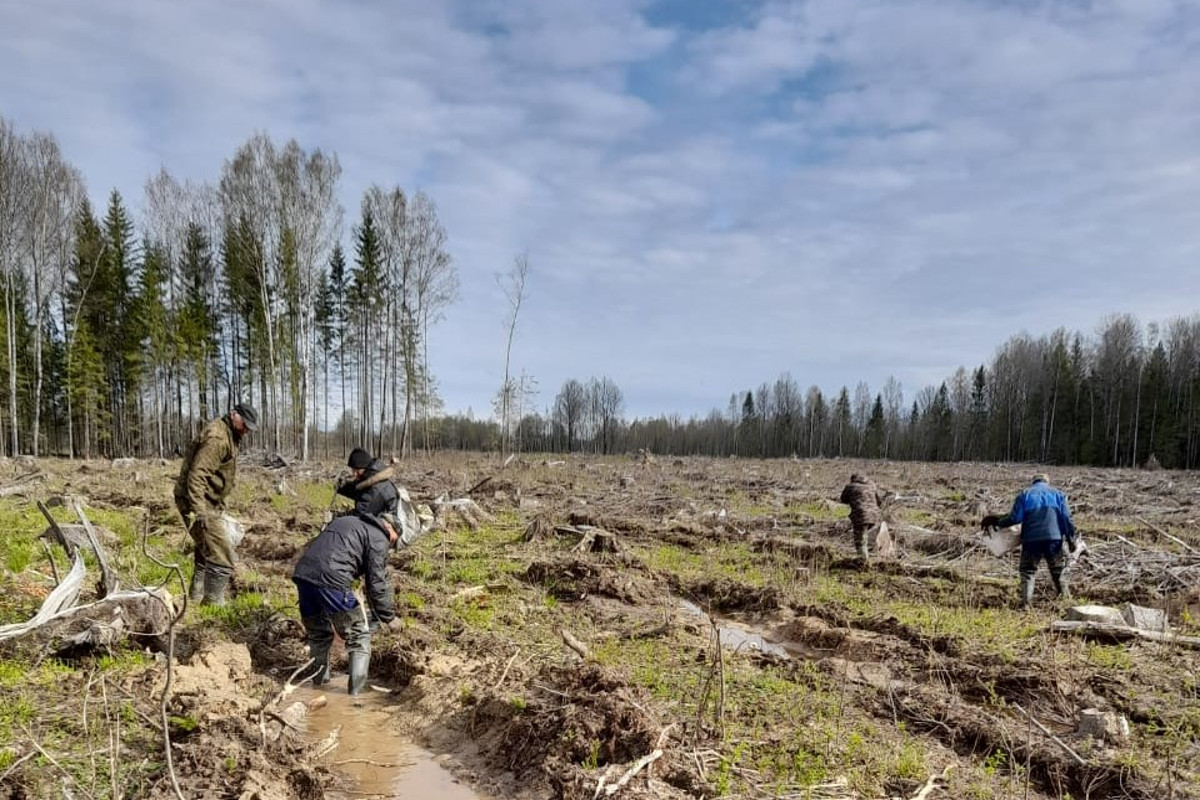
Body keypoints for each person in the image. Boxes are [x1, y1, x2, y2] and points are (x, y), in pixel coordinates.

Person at [292, 509, 402, 695]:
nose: (390, 545)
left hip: (304, 576)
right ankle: (356, 695)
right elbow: (376, 582)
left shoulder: (347, 520)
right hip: (332, 579)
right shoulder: (379, 537)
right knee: (359, 635)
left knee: (319, 634)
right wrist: (389, 617)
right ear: (389, 527)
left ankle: (318, 687)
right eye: (393, 540)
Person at [174, 403, 257, 606]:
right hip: (198, 502)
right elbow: (197, 475)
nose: (246, 430)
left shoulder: (230, 433)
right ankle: (212, 605)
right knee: (222, 553)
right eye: (244, 424)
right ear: (233, 415)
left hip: (210, 502)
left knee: (207, 547)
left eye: (248, 427)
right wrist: (200, 513)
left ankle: (196, 594)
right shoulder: (218, 438)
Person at [982, 474, 1078, 609]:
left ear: (1033, 482)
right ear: (1047, 482)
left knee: (1028, 570)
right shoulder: (1059, 495)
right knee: (1057, 570)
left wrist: (998, 521)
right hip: (1054, 538)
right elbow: (1067, 519)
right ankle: (1066, 601)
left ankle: (1026, 604)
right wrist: (1070, 539)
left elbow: (1014, 518)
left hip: (1031, 539)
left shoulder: (1025, 494)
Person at [336, 447, 399, 518]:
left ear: (365, 467)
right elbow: (357, 489)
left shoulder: (375, 489)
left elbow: (359, 516)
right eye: (353, 470)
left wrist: (339, 517)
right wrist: (342, 488)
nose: (354, 474)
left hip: (384, 526)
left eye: (356, 470)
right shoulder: (371, 477)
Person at [839, 473, 887, 561]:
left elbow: (843, 499)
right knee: (868, 537)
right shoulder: (872, 486)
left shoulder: (850, 486)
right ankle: (875, 556)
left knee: (860, 540)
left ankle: (863, 561)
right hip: (875, 516)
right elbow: (879, 502)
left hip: (861, 515)